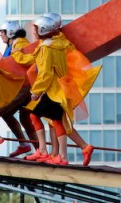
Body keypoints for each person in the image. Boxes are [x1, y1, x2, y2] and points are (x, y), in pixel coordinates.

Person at [22, 15, 97, 166]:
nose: (33, 31)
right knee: (56, 121)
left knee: (39, 117)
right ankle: (78, 149)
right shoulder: (59, 44)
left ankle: (55, 154)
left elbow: (45, 73)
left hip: (54, 90)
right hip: (61, 88)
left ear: (42, 30)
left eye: (35, 29)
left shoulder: (46, 48)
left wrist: (36, 91)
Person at [0, 20, 38, 157]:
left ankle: (37, 150)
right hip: (19, 86)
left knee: (22, 116)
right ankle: (26, 145)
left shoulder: (19, 42)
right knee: (16, 115)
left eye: (2, 32)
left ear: (9, 32)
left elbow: (29, 59)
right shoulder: (11, 44)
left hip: (25, 87)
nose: (0, 35)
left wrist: (17, 54)